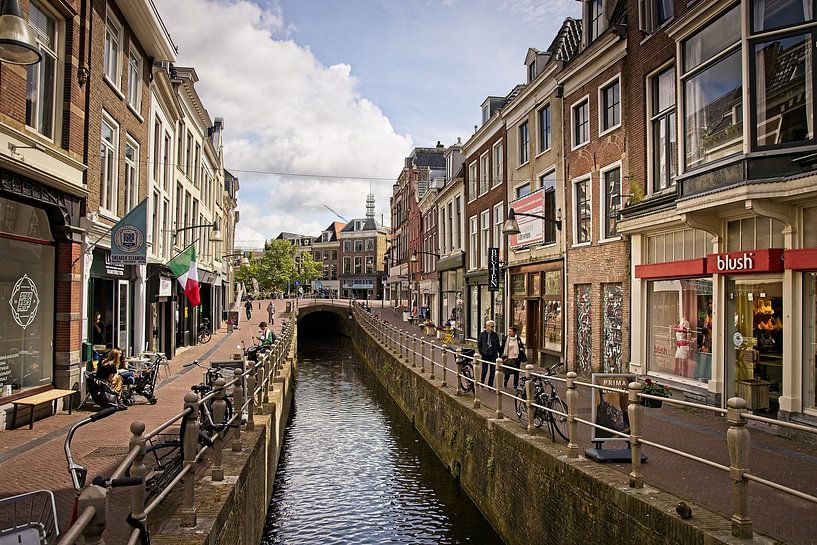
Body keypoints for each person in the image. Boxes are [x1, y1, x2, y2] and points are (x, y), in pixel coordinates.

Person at [477, 320, 500, 388]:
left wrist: (500, 354)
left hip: (493, 355)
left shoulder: (495, 334)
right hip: (485, 354)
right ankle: (482, 381)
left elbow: (498, 345)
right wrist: (482, 352)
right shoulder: (482, 334)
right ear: (487, 326)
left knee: (492, 371)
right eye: (492, 326)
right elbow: (479, 344)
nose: (493, 328)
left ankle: (490, 385)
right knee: (484, 370)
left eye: (493, 326)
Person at [501, 325, 524, 389]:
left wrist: (521, 350)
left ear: (514, 332)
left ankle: (515, 385)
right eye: (509, 331)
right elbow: (503, 348)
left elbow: (521, 346)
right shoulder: (506, 338)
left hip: (516, 358)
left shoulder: (518, 339)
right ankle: (506, 380)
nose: (509, 333)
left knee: (516, 372)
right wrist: (502, 356)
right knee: (507, 372)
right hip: (508, 357)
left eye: (510, 331)